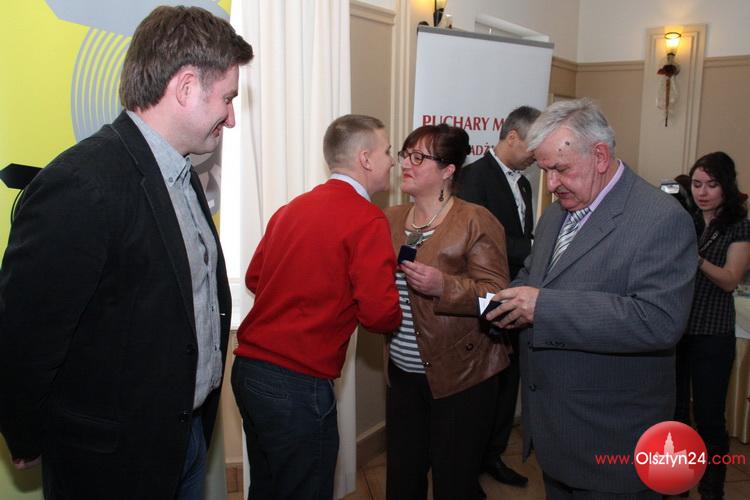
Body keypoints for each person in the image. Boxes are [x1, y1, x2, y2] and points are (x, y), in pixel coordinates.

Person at [0, 6, 253, 500]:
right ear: (185, 87)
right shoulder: (82, 184)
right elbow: (24, 333)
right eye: (227, 98)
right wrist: (24, 431)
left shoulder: (182, 174)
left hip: (183, 440)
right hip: (112, 465)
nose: (231, 117)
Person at [486, 98, 697, 498]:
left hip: (612, 441)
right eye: (545, 171)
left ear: (600, 156)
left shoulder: (661, 218)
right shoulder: (556, 213)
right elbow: (535, 275)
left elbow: (658, 320)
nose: (551, 184)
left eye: (561, 169)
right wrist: (504, 300)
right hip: (555, 434)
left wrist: (542, 306)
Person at [231, 114, 402, 499]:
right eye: (388, 150)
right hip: (297, 382)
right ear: (365, 158)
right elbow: (379, 313)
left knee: (267, 487)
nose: (393, 160)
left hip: (249, 372)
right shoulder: (367, 218)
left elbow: (256, 278)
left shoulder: (291, 209)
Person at [385, 123, 511, 499]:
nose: (405, 164)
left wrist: (445, 286)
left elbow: (497, 297)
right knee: (402, 477)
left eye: (418, 157)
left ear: (448, 170)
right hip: (403, 375)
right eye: (405, 155)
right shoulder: (391, 219)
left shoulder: (476, 220)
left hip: (462, 376)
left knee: (454, 481)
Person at [457, 105, 540, 487]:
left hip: (517, 296)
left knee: (508, 383)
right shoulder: (473, 178)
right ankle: (468, 466)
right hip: (484, 298)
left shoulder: (525, 183)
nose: (537, 154)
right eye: (533, 144)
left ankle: (494, 455)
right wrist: (539, 249)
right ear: (513, 137)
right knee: (482, 390)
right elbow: (477, 243)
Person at [675, 152, 750, 499]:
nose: (702, 192)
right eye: (697, 184)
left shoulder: (738, 225)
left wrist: (695, 258)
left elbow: (730, 279)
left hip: (713, 333)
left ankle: (712, 488)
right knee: (675, 415)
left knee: (709, 418)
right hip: (677, 330)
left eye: (712, 185)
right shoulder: (686, 220)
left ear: (726, 186)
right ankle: (675, 482)